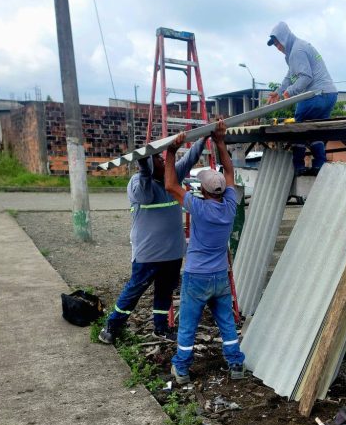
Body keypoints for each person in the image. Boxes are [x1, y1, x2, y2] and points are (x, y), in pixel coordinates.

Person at [98, 136, 206, 345]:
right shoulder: (138, 184)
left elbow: (191, 158)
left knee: (164, 292)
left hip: (173, 252)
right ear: (147, 163)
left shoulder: (171, 177)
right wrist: (144, 167)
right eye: (157, 158)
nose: (163, 161)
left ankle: (161, 327)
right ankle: (112, 325)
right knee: (134, 291)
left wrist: (206, 136)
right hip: (149, 254)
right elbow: (145, 197)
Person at [163, 120, 245, 384]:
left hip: (197, 276)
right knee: (227, 323)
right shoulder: (229, 205)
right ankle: (235, 364)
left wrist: (171, 153)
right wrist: (220, 142)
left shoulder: (198, 207)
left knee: (188, 325)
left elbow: (169, 186)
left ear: (205, 191)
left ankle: (183, 369)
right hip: (220, 275)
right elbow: (230, 173)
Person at [266, 21, 338, 176]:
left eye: (278, 43)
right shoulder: (295, 50)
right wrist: (279, 91)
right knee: (315, 130)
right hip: (330, 95)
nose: (278, 48)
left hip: (317, 95)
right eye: (275, 45)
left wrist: (289, 92)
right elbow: (290, 75)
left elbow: (305, 77)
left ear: (284, 38)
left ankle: (298, 166)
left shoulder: (297, 51)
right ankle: (319, 164)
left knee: (298, 125)